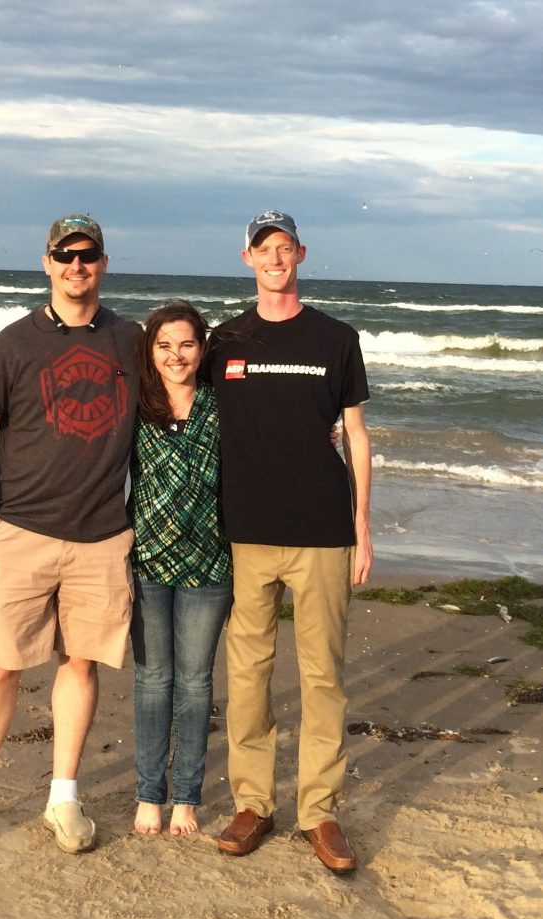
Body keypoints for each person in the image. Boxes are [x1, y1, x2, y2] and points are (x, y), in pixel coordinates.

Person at [0, 213, 141, 857]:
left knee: (80, 663)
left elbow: (188, 377)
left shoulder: (131, 341)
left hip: (103, 535)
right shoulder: (14, 344)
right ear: (46, 262)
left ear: (104, 263)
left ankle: (64, 798)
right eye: (65, 255)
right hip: (18, 532)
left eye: (88, 255)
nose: (77, 265)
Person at [207, 209, 372, 872]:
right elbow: (185, 415)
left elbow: (356, 436)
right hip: (244, 532)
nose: (274, 258)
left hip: (324, 531)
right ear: (246, 258)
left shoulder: (336, 339)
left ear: (301, 253)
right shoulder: (224, 340)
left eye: (284, 247)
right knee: (247, 674)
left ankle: (320, 814)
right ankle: (253, 804)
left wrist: (362, 529)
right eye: (262, 249)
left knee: (323, 674)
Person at [127, 301, 233, 838]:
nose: (176, 355)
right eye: (164, 345)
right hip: (146, 561)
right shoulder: (135, 405)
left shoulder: (223, 405)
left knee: (194, 684)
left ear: (203, 348)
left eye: (187, 344)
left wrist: (324, 437)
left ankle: (187, 797)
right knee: (152, 681)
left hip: (210, 565)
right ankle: (150, 793)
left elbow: (276, 439)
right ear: (151, 350)